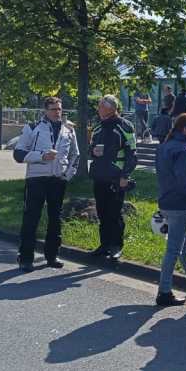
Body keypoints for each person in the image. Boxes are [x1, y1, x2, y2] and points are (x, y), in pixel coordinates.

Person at [13, 96, 80, 272]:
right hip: (36, 178)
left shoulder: (68, 129)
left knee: (55, 219)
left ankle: (52, 255)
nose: (57, 112)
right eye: (53, 109)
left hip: (58, 179)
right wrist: (41, 156)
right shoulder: (33, 127)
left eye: (60, 109)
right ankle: (25, 258)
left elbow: (75, 154)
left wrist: (68, 174)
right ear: (45, 110)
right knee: (31, 217)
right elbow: (18, 154)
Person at [154, 112, 186, 306]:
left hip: (166, 201)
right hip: (180, 203)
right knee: (174, 249)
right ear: (185, 129)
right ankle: (164, 292)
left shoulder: (164, 147)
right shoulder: (183, 150)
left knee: (184, 241)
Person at [88, 95, 137, 266]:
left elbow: (132, 153)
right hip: (99, 176)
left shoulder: (125, 125)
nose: (99, 109)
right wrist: (93, 151)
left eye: (101, 106)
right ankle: (104, 245)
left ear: (111, 108)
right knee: (102, 212)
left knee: (114, 213)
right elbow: (91, 148)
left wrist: (125, 176)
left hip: (117, 177)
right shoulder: (97, 127)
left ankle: (116, 246)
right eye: (99, 106)